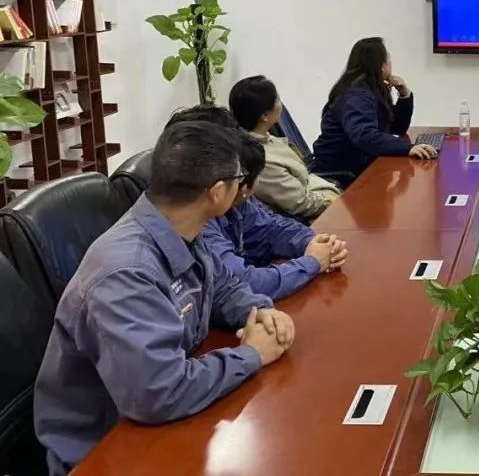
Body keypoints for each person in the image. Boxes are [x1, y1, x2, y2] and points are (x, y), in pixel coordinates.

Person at [34, 122, 295, 475]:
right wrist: (251, 355)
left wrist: (260, 311)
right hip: (106, 450)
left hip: (163, 420)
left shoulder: (177, 225)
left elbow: (221, 285)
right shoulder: (126, 273)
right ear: (217, 192)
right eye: (239, 178)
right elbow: (159, 392)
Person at [167, 106, 348, 300]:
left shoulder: (233, 192)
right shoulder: (194, 219)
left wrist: (313, 243)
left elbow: (269, 230)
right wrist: (311, 262)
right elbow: (242, 283)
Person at [310, 37, 436, 185]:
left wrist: (404, 94)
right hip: (341, 174)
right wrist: (407, 148)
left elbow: (397, 127)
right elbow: (365, 135)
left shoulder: (370, 89)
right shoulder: (357, 95)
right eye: (388, 59)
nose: (390, 64)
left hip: (359, 167)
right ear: (380, 65)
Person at [229, 75, 341, 220]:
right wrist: (333, 200)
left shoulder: (266, 136)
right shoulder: (262, 160)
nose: (281, 103)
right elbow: (300, 203)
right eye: (277, 100)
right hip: (310, 215)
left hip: (318, 193)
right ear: (265, 116)